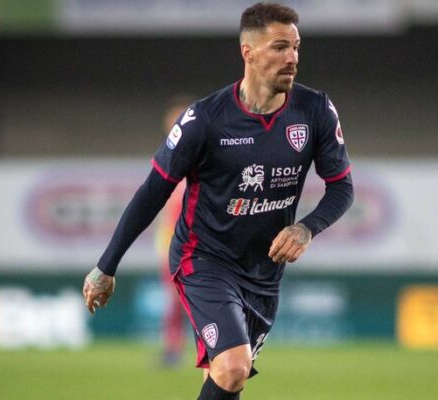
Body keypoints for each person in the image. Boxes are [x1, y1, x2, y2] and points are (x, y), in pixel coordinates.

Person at [83, 3, 354, 399]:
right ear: (249, 53)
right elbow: (153, 191)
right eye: (280, 47)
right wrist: (106, 267)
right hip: (204, 259)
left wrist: (306, 228)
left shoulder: (315, 111)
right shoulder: (205, 119)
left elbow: (342, 188)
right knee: (233, 367)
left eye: (296, 47)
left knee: (223, 377)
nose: (292, 58)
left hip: (263, 273)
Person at [155, 95, 193, 367]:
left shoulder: (203, 157)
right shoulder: (168, 159)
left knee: (194, 298)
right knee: (174, 299)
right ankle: (173, 347)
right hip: (172, 241)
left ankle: (214, 346)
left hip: (198, 241)